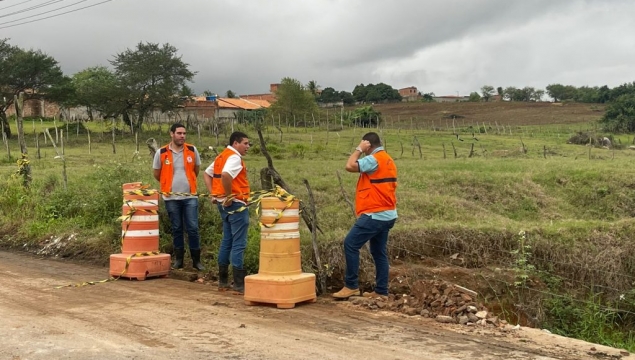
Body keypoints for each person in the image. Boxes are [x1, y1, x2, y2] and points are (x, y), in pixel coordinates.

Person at [332, 132, 397, 299]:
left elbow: (350, 166)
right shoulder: (388, 159)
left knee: (350, 244)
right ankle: (381, 291)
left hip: (375, 213)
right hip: (388, 213)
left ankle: (351, 285)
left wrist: (359, 149)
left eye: (364, 144)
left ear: (368, 144)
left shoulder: (374, 159)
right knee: (378, 252)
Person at [203, 132, 251, 293]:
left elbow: (207, 173)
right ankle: (238, 284)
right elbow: (225, 175)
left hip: (222, 204)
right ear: (236, 143)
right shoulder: (234, 158)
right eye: (245, 143)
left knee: (227, 240)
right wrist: (229, 196)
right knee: (239, 243)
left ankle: (223, 282)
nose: (248, 147)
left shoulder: (222, 156)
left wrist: (214, 195)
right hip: (236, 204)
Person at [153, 123, 204, 271]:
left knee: (193, 228)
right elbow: (157, 173)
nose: (182, 136)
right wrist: (168, 184)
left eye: (184, 133)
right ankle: (179, 260)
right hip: (171, 198)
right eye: (179, 133)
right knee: (177, 228)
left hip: (190, 196)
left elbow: (196, 169)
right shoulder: (161, 152)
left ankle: (196, 261)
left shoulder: (192, 150)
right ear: (172, 134)